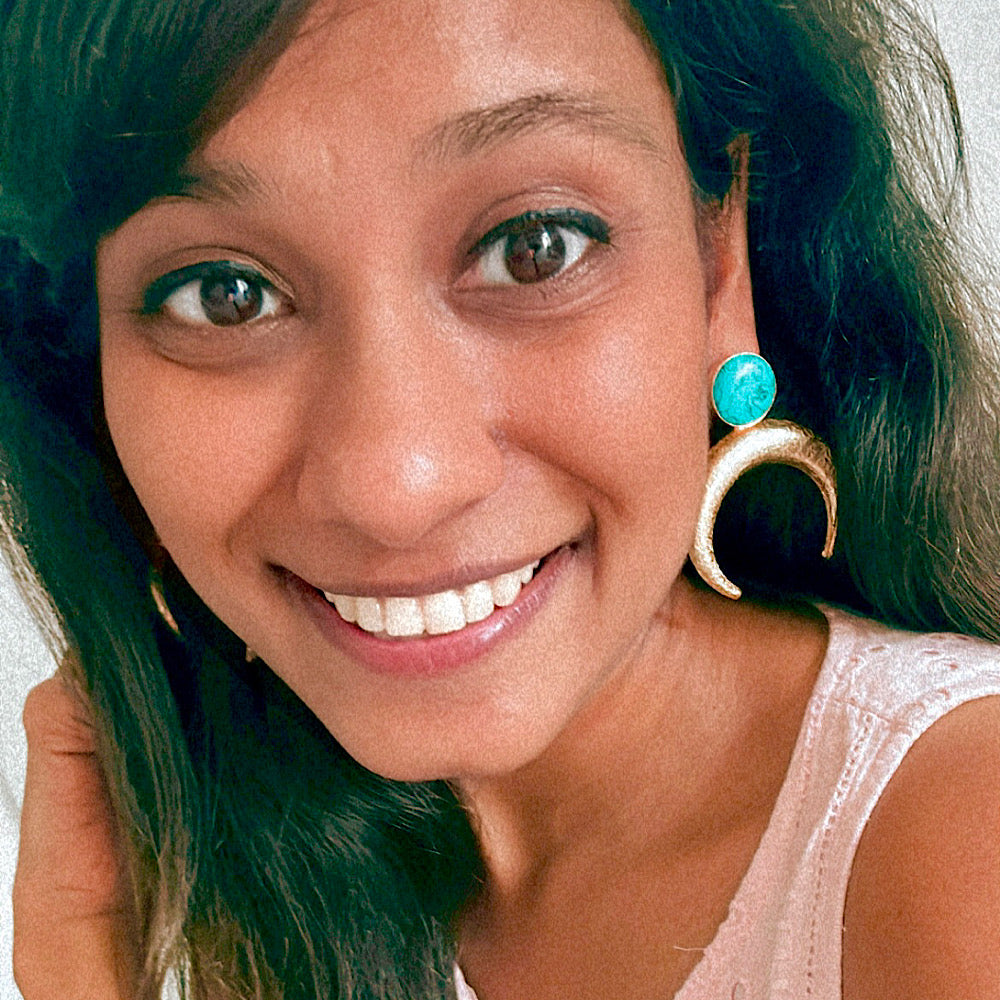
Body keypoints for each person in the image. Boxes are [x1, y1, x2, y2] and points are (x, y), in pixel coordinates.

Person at [2, 0, 1000, 997]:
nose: (396, 487)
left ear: (717, 263)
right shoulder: (198, 869)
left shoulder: (965, 846)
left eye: (535, 247)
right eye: (227, 293)